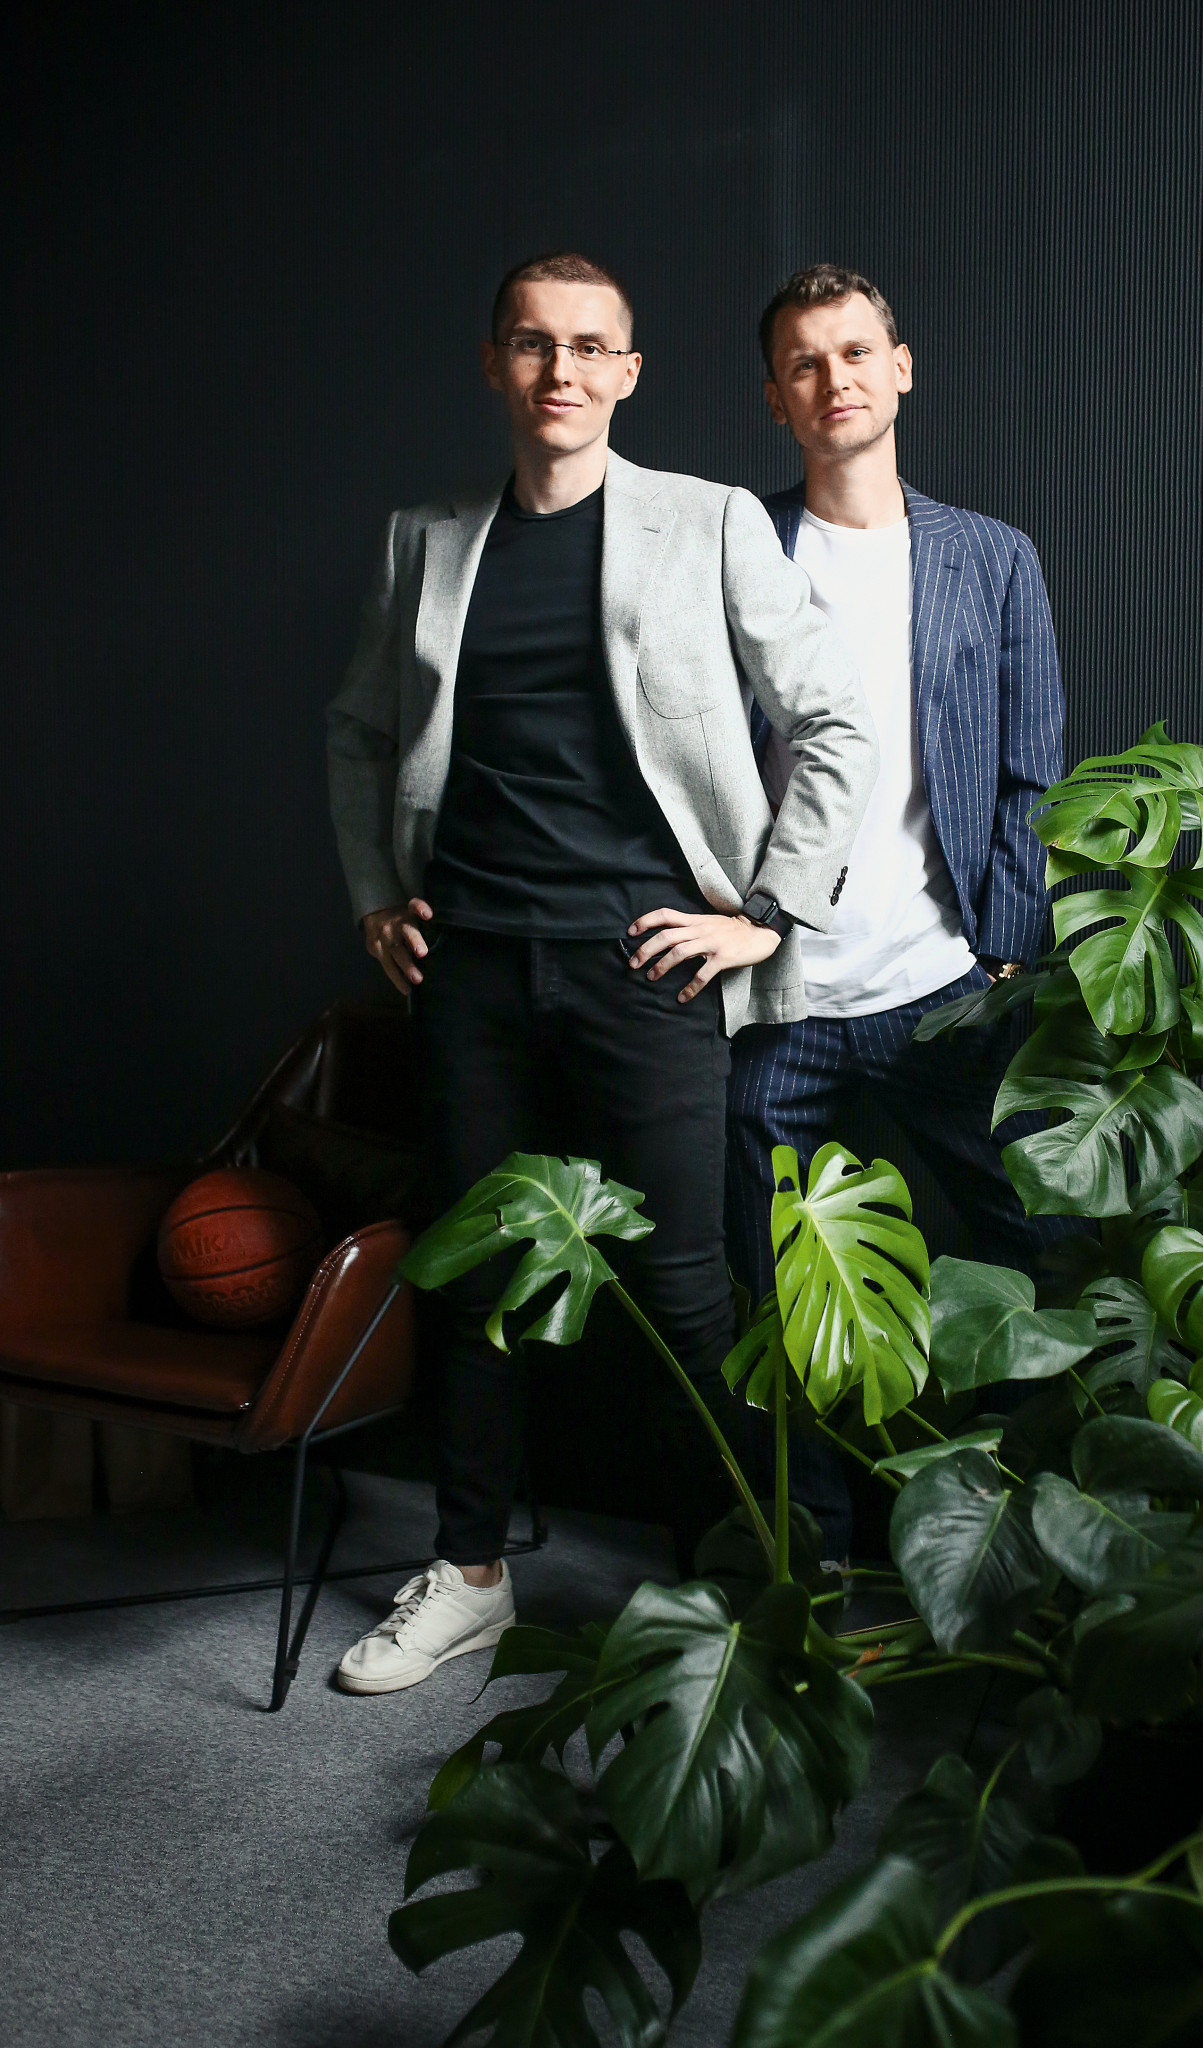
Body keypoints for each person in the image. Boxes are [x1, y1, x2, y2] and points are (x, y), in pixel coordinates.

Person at [326, 251, 877, 1693]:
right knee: (480, 1282)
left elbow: (834, 720)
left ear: (627, 373)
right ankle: (467, 1573)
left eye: (588, 347)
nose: (559, 370)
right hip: (469, 969)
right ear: (496, 365)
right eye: (532, 343)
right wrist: (377, 896)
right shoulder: (424, 539)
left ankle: (778, 1562)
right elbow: (359, 733)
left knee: (685, 1290)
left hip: (647, 968)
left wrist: (768, 912)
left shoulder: (706, 523)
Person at [726, 263, 1067, 1565]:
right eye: (805, 363)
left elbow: (1031, 770)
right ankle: (807, 1547)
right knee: (780, 1289)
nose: (836, 380)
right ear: (775, 397)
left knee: (1046, 1241)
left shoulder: (992, 557)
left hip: (945, 988)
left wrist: (1004, 950)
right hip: (777, 999)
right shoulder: (734, 552)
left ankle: (1013, 1518)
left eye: (856, 352)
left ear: (900, 367)